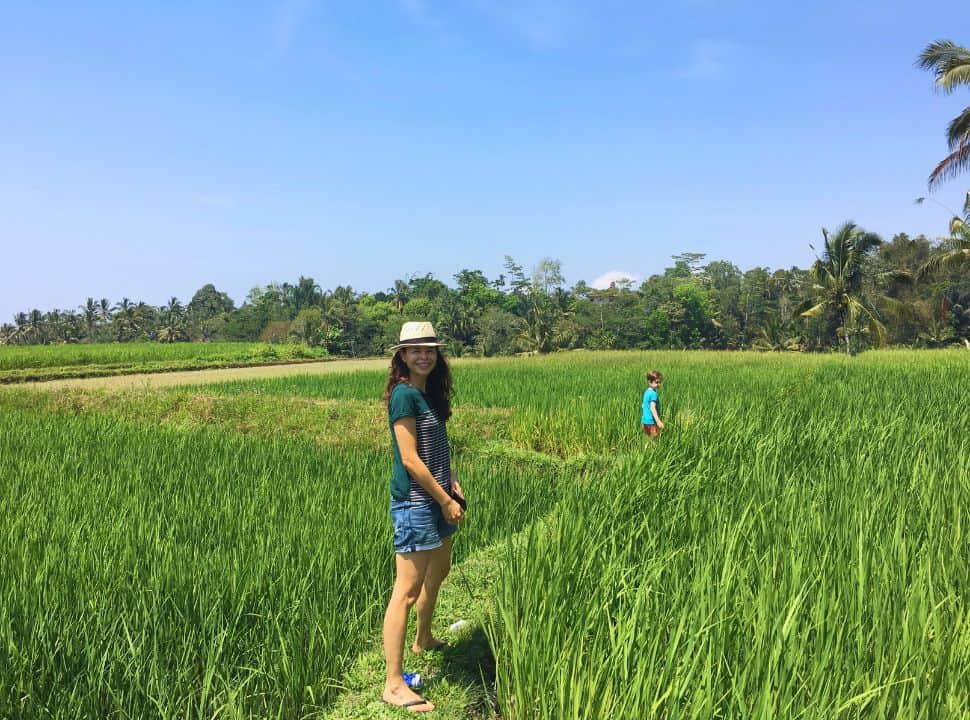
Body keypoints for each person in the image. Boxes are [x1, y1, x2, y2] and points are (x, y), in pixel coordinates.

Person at [381, 321, 466, 713]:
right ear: (402, 355)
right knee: (406, 591)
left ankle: (424, 638)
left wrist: (452, 483)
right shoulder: (403, 396)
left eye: (430, 350)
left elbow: (436, 449)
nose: (424, 356)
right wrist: (443, 500)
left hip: (438, 495)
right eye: (416, 350)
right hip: (416, 502)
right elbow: (411, 460)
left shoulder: (427, 394)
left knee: (441, 568)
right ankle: (394, 683)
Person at [642, 370, 664, 438]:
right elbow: (652, 408)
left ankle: (645, 448)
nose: (659, 384)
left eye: (660, 382)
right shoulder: (653, 394)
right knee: (654, 440)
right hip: (652, 422)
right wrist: (658, 421)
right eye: (657, 382)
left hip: (644, 421)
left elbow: (643, 405)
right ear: (649, 382)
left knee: (648, 439)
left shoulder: (646, 392)